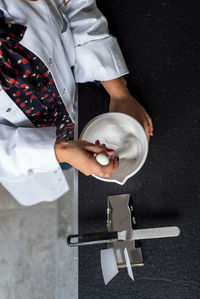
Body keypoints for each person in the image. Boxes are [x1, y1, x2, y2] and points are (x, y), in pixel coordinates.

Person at [0, 0, 153, 206]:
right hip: (26, 150)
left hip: (71, 110)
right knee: (59, 165)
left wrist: (117, 90)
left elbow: (76, 6)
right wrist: (56, 151)